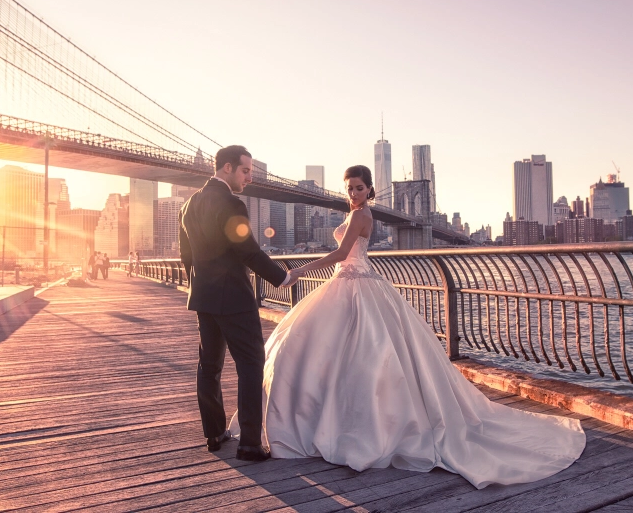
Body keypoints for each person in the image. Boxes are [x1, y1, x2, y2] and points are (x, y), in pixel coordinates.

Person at [232, 165, 585, 488]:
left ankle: (352, 426)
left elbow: (341, 254)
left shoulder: (362, 214)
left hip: (355, 283)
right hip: (349, 284)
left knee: (358, 352)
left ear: (370, 190)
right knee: (333, 350)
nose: (353, 193)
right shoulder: (355, 213)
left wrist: (298, 271)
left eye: (359, 188)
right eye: (349, 187)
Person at [179, 145, 291, 462]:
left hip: (204, 297)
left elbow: (186, 256)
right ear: (227, 168)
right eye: (245, 170)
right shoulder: (231, 204)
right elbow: (248, 251)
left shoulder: (189, 205)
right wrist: (282, 278)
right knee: (251, 365)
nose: (249, 177)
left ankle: (214, 433)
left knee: (209, 366)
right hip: (234, 298)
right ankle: (250, 444)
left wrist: (200, 286)